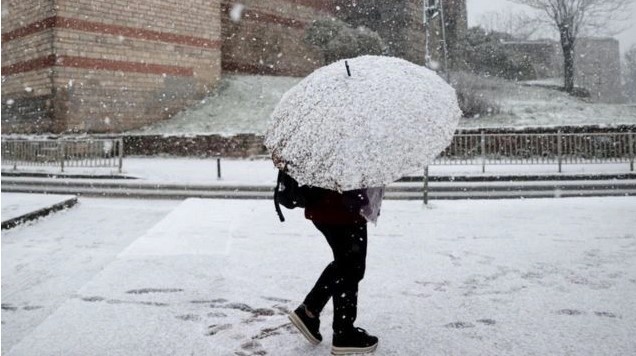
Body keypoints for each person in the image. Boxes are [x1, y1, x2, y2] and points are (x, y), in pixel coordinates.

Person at [288, 186, 384, 355]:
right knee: (351, 267)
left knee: (346, 265)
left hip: (328, 206)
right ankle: (343, 333)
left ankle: (310, 312)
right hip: (342, 208)